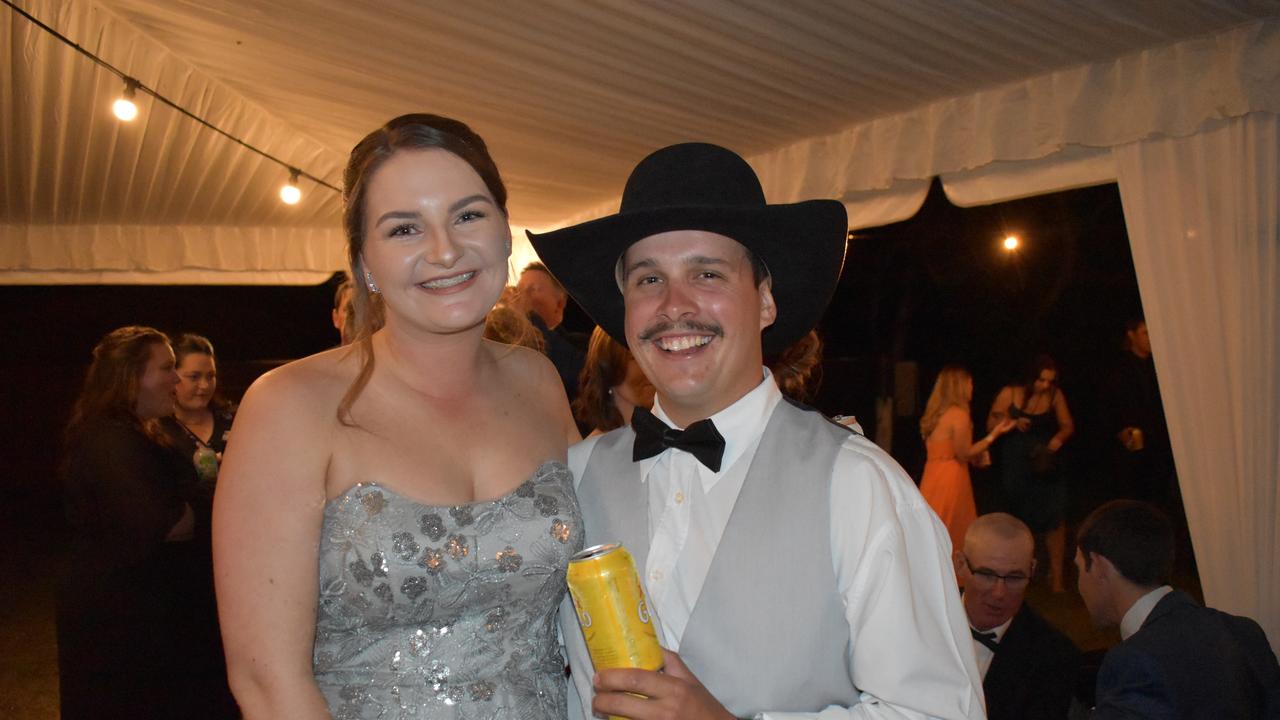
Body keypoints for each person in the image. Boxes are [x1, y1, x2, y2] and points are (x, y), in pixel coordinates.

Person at [530, 142, 985, 720]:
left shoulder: (858, 484)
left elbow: (943, 712)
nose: (674, 305)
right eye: (648, 279)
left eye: (707, 273)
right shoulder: (576, 474)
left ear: (765, 301)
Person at [213, 114, 582, 720]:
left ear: (504, 230)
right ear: (363, 262)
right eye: (405, 228)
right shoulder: (290, 405)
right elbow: (267, 682)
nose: (444, 249)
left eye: (468, 215)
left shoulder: (538, 381)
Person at [58, 326, 237, 719]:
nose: (175, 379)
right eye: (167, 369)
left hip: (147, 616)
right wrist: (213, 492)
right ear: (131, 377)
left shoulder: (139, 433)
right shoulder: (110, 440)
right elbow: (169, 523)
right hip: (121, 621)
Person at [1075, 500, 1280, 719]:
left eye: (1078, 569)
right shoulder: (1243, 631)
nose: (1079, 585)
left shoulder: (1135, 662)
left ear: (1098, 565)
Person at [956, 513, 1080, 720]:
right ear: (960, 564)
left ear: (1032, 569)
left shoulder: (1054, 657)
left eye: (1014, 578)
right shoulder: (915, 623)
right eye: (987, 575)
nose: (999, 593)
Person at [987, 354, 1075, 592]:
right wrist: (1013, 423)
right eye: (1041, 380)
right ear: (1030, 377)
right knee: (1019, 518)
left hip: (1046, 461)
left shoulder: (1055, 395)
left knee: (1055, 516)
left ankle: (1056, 579)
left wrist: (1058, 438)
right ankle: (1019, 574)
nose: (1045, 385)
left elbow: (1068, 425)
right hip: (1017, 461)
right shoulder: (1010, 393)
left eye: (1050, 381)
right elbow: (991, 424)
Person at [920, 366, 1015, 553]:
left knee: (931, 526)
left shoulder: (936, 415)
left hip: (932, 476)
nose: (972, 387)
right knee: (952, 526)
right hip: (951, 479)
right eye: (970, 383)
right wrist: (993, 435)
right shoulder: (959, 414)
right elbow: (964, 453)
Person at [515, 261, 587, 400]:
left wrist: (529, 318)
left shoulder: (579, 344)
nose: (522, 296)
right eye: (519, 289)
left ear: (560, 303)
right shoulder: (505, 345)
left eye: (533, 289)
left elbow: (572, 376)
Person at [573, 325, 656, 435]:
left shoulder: (677, 438)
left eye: (656, 357)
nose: (650, 367)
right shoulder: (592, 451)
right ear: (607, 367)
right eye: (634, 358)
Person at [332, 275, 355, 345]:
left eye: (360, 310)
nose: (353, 315)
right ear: (335, 318)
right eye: (348, 309)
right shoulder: (326, 356)